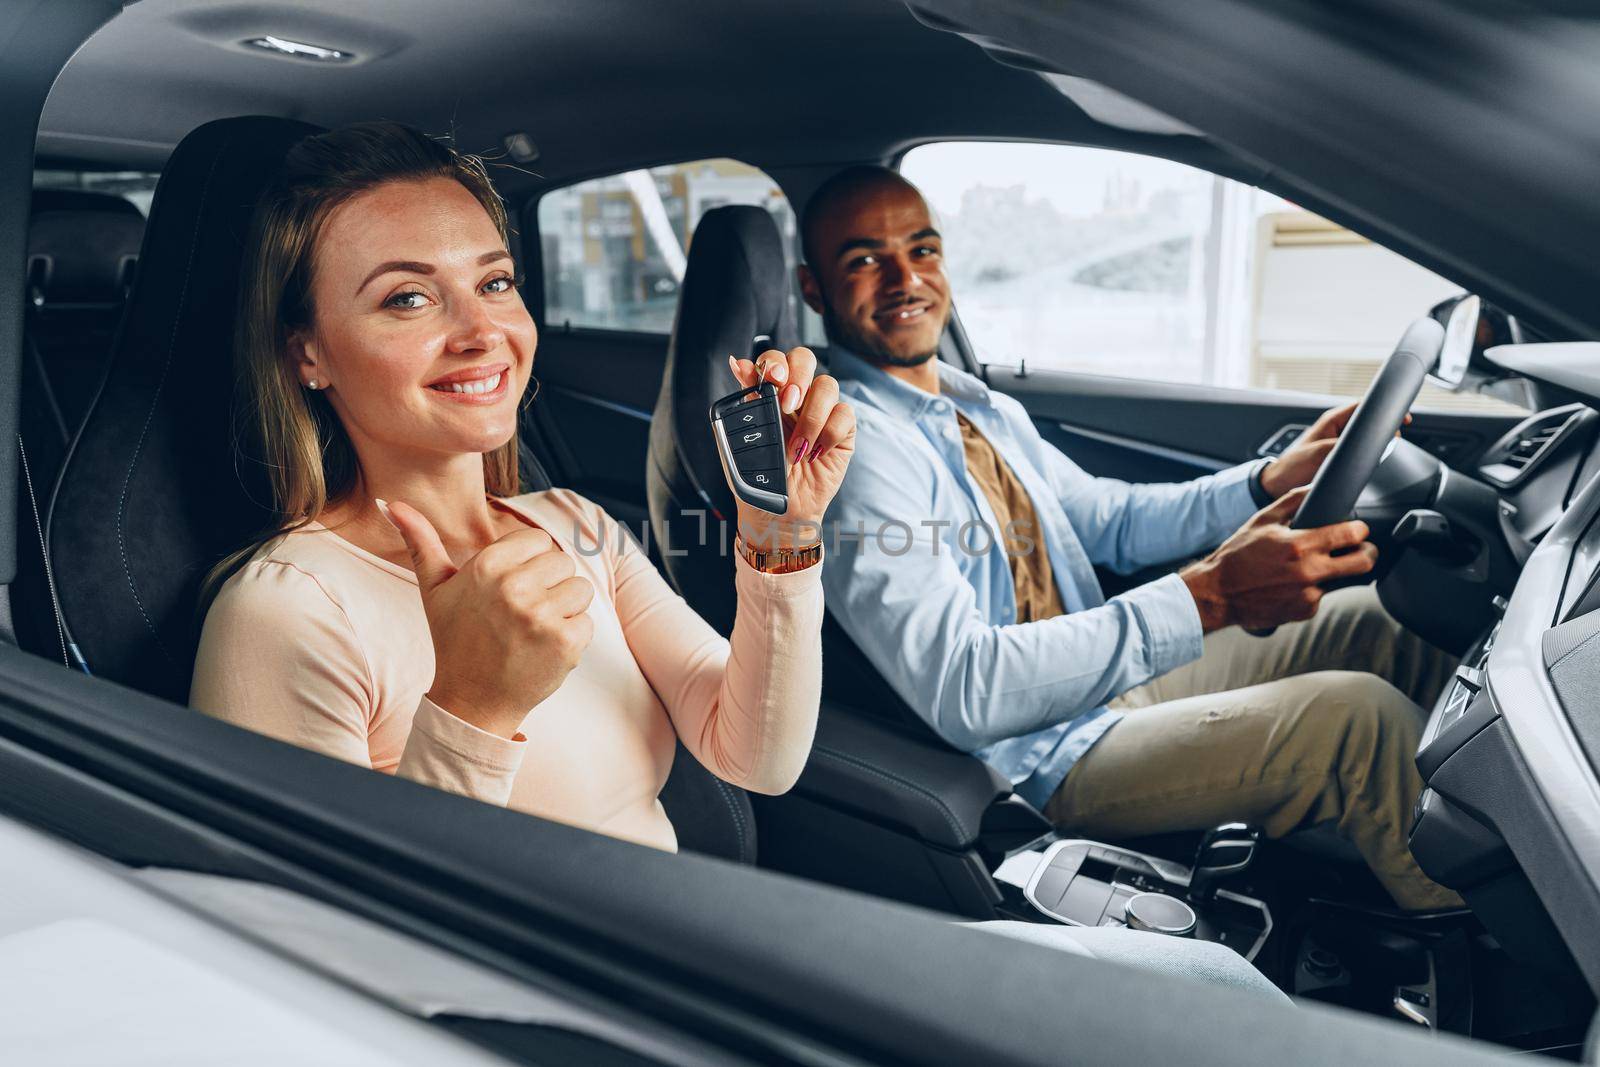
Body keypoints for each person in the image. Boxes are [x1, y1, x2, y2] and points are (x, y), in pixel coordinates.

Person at [806, 165, 1460, 911]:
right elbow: (966, 687)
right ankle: (1514, 962)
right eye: (864, 260)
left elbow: (1108, 517)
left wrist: (1266, 480)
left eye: (922, 249)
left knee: (1374, 620)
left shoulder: (972, 405)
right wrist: (1211, 594)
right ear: (812, 289)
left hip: (1099, 688)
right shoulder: (852, 454)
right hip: (1038, 758)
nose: (905, 277)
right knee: (1355, 724)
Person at [190, 122, 854, 851]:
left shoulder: (574, 524)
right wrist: (471, 708)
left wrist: (780, 533)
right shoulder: (284, 608)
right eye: (408, 298)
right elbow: (318, 931)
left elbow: (756, 755)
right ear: (308, 353)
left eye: (494, 282)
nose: (482, 330)